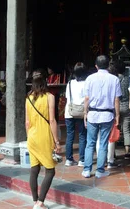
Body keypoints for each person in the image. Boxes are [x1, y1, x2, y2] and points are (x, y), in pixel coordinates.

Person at [82, 55, 121, 179]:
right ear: (108, 65)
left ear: (96, 66)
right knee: (103, 143)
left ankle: (87, 170)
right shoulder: (114, 79)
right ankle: (100, 170)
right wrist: (117, 115)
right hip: (107, 114)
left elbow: (86, 98)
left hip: (92, 114)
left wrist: (85, 113)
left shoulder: (90, 78)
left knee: (90, 143)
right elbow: (116, 99)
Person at [26, 71, 60, 209]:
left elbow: (27, 122)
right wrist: (57, 141)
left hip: (32, 137)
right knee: (50, 170)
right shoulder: (49, 97)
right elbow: (52, 120)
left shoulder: (28, 98)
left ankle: (35, 201)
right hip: (44, 136)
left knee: (34, 169)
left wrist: (29, 137)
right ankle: (40, 202)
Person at [64, 62, 87, 167]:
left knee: (70, 135)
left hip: (70, 111)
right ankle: (82, 160)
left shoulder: (70, 83)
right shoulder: (86, 83)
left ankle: (69, 159)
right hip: (82, 112)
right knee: (82, 135)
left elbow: (67, 97)